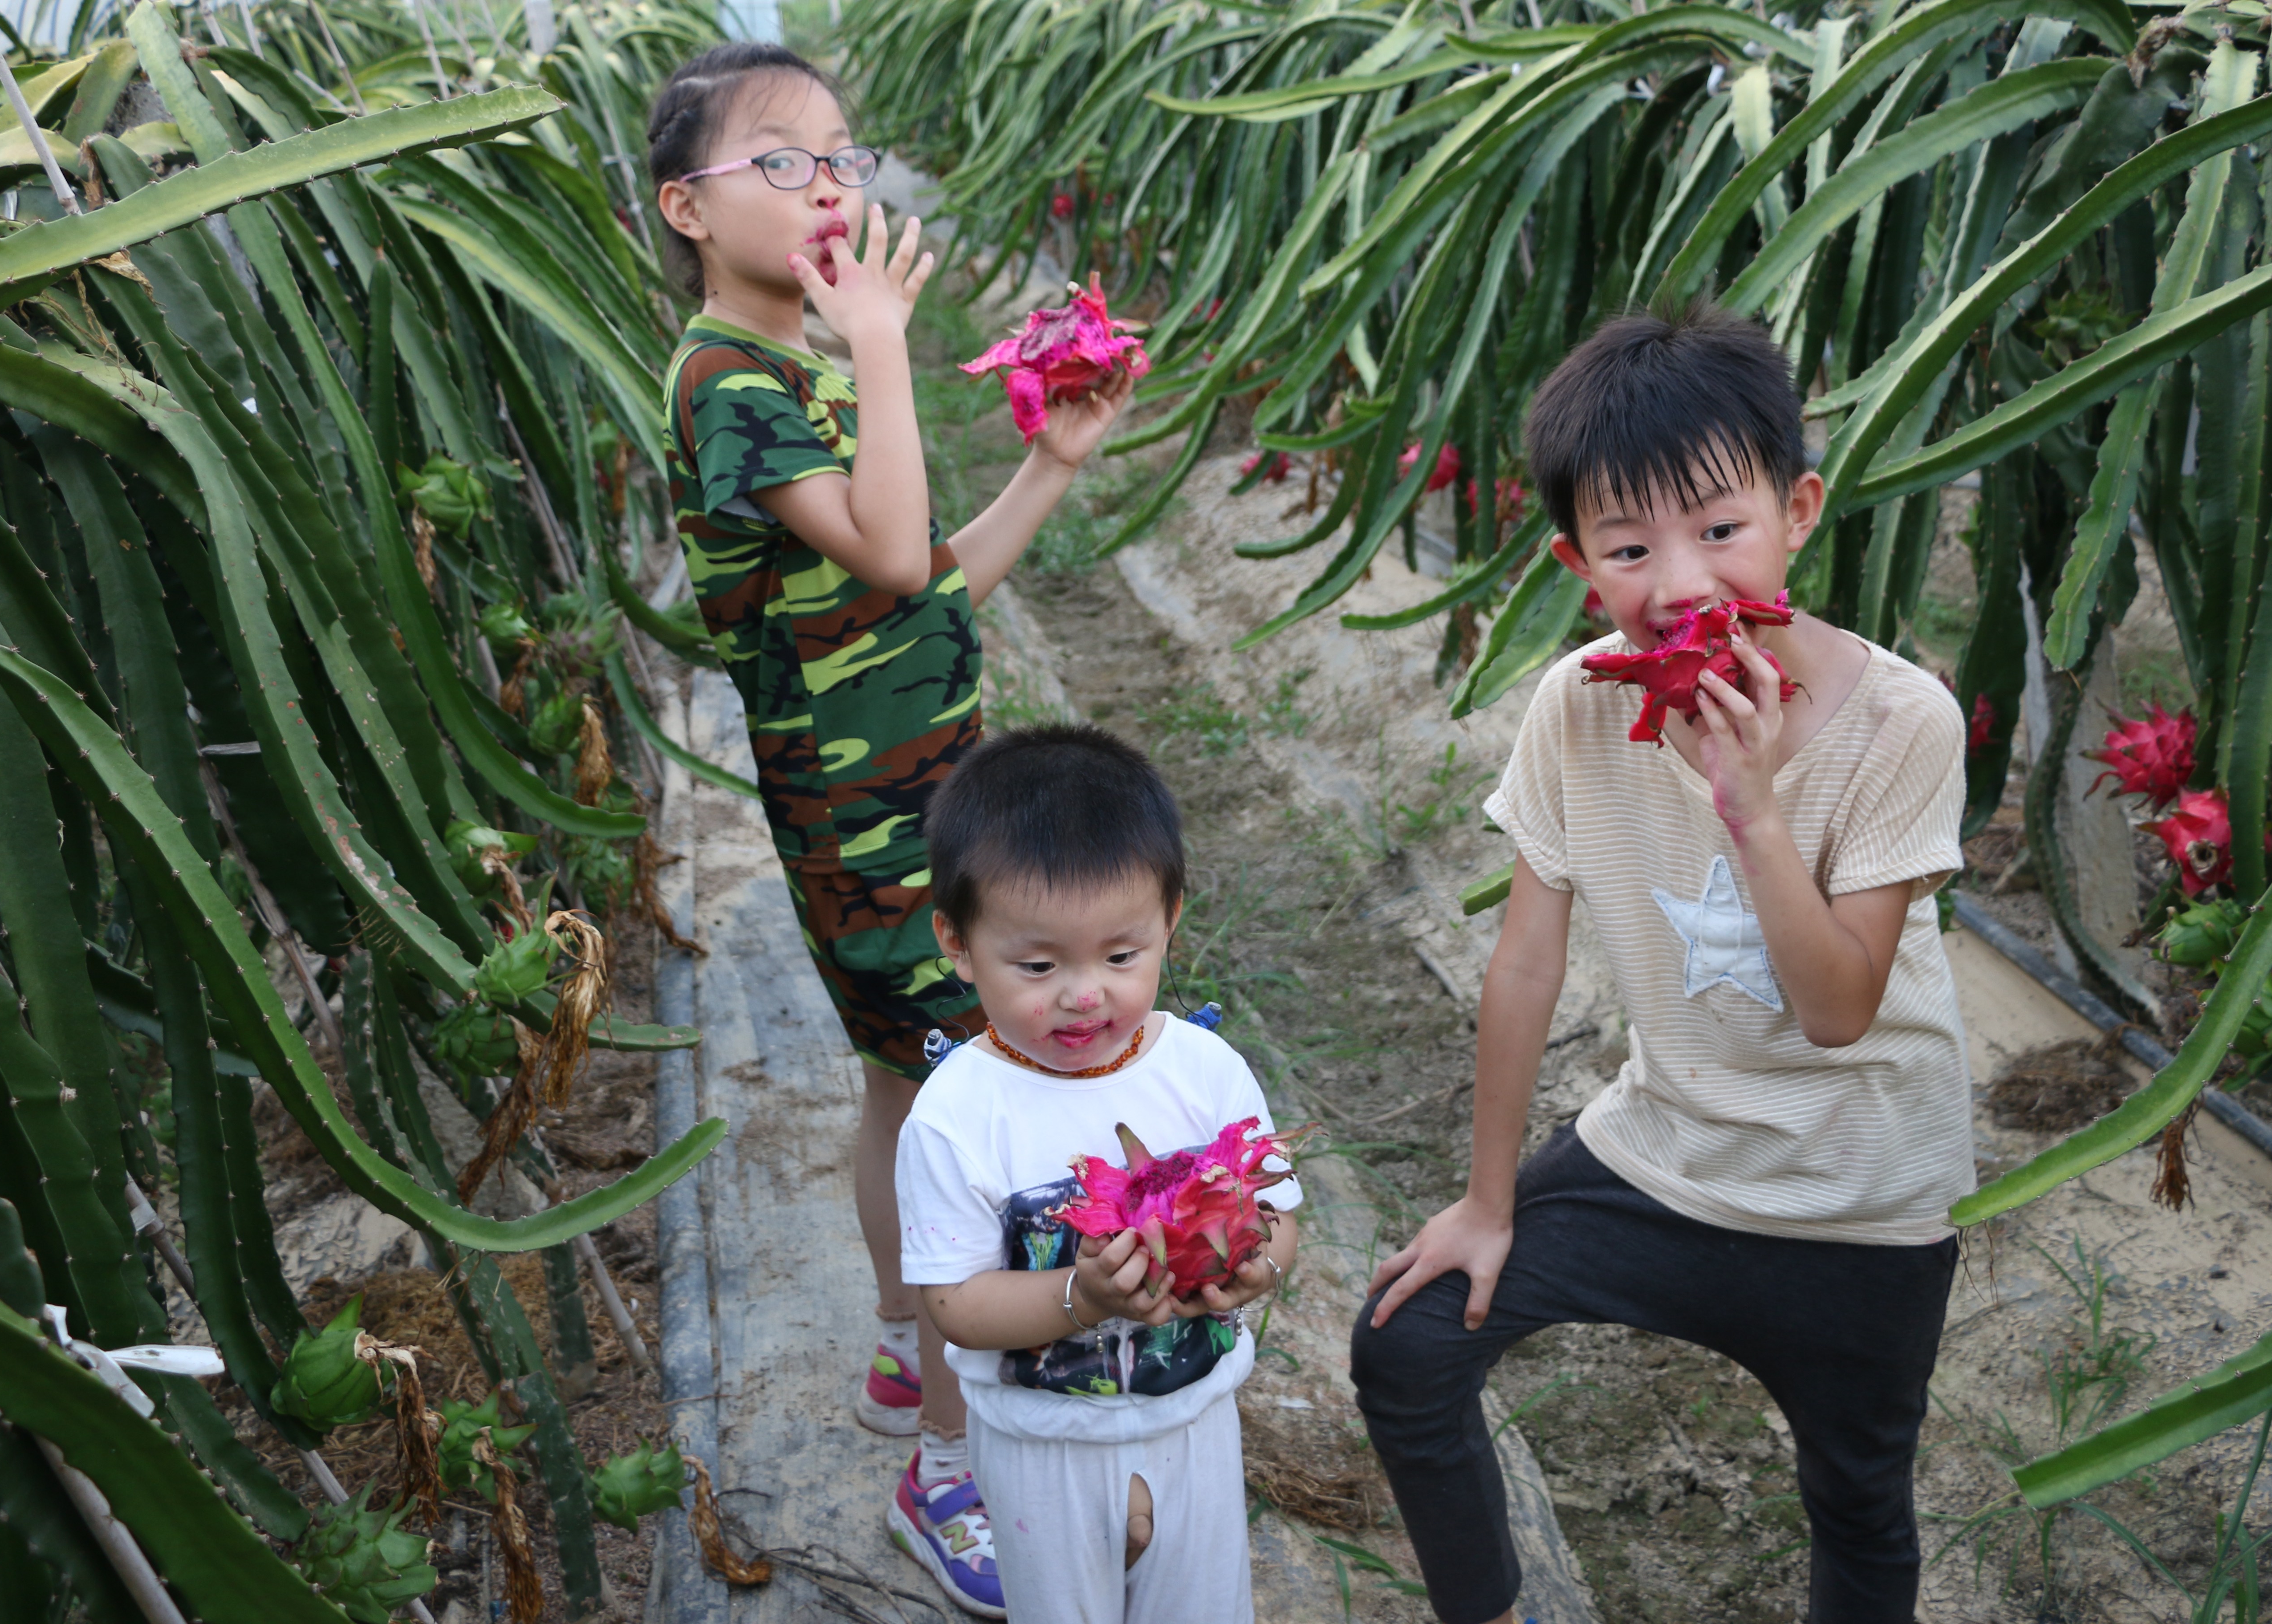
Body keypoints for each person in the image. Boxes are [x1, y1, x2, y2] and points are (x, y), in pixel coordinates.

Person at [1351, 302, 1970, 1624]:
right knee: (1407, 1339)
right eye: (1632, 548)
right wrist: (1488, 1202)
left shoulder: (1903, 721)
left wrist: (1750, 806)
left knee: (1858, 1505)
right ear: (1585, 565)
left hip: (1860, 1206)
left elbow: (1838, 1008)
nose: (1681, 583)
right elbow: (1524, 965)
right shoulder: (1580, 706)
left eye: (1721, 530)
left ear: (1799, 511)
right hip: (1666, 1157)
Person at [648, 43, 1135, 1610]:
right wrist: (883, 348)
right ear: (686, 208)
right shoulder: (733, 380)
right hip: (867, 822)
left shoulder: (785, 363)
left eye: (841, 158)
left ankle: (895, 1342)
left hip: (908, 789)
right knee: (962, 1120)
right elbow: (884, 542)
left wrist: (1049, 466)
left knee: (895, 1083)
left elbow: (915, 587)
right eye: (780, 163)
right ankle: (946, 1458)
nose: (829, 185)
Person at [896, 724, 1302, 1621]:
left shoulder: (1204, 1072)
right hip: (1041, 1443)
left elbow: (1277, 1209)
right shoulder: (958, 1116)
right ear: (958, 945)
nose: (1085, 994)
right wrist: (1083, 1302)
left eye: (1122, 957)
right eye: (1038, 965)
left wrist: (1253, 1266)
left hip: (1195, 1424)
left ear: (1171, 922)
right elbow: (953, 1301)